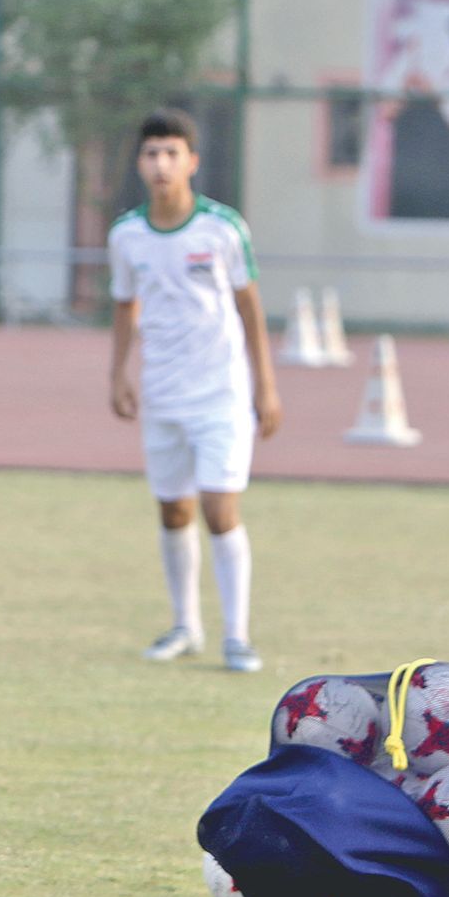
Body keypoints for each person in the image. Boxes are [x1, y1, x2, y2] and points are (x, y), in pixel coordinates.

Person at [107, 107, 281, 673]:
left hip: (221, 395)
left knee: (218, 507)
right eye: (151, 153)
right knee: (173, 510)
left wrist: (266, 387)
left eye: (171, 153)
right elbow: (124, 305)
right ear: (140, 162)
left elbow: (249, 306)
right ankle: (186, 625)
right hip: (162, 393)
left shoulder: (222, 228)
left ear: (192, 162)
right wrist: (118, 373)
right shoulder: (127, 235)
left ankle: (238, 634)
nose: (160, 164)